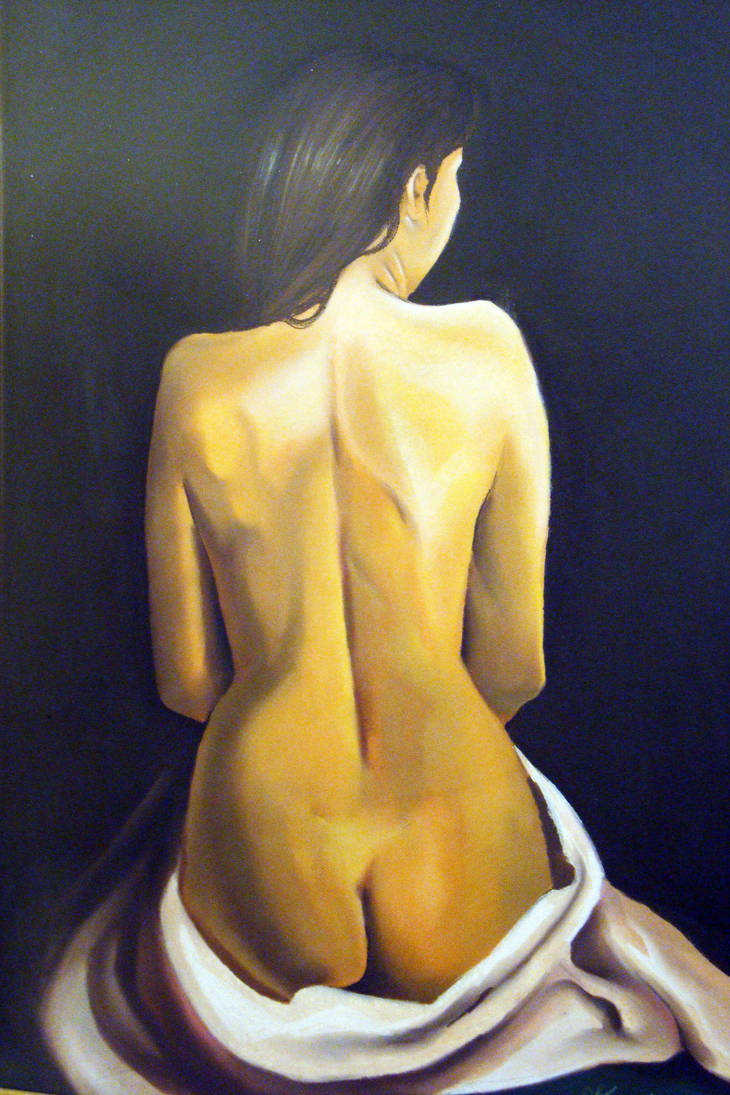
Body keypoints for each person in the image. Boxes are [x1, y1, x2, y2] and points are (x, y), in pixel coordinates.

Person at [41, 49, 730, 1095]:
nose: (452, 207)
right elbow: (516, 664)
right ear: (413, 186)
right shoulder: (489, 352)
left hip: (264, 853)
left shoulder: (197, 377)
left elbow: (186, 681)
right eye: (454, 181)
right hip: (459, 853)